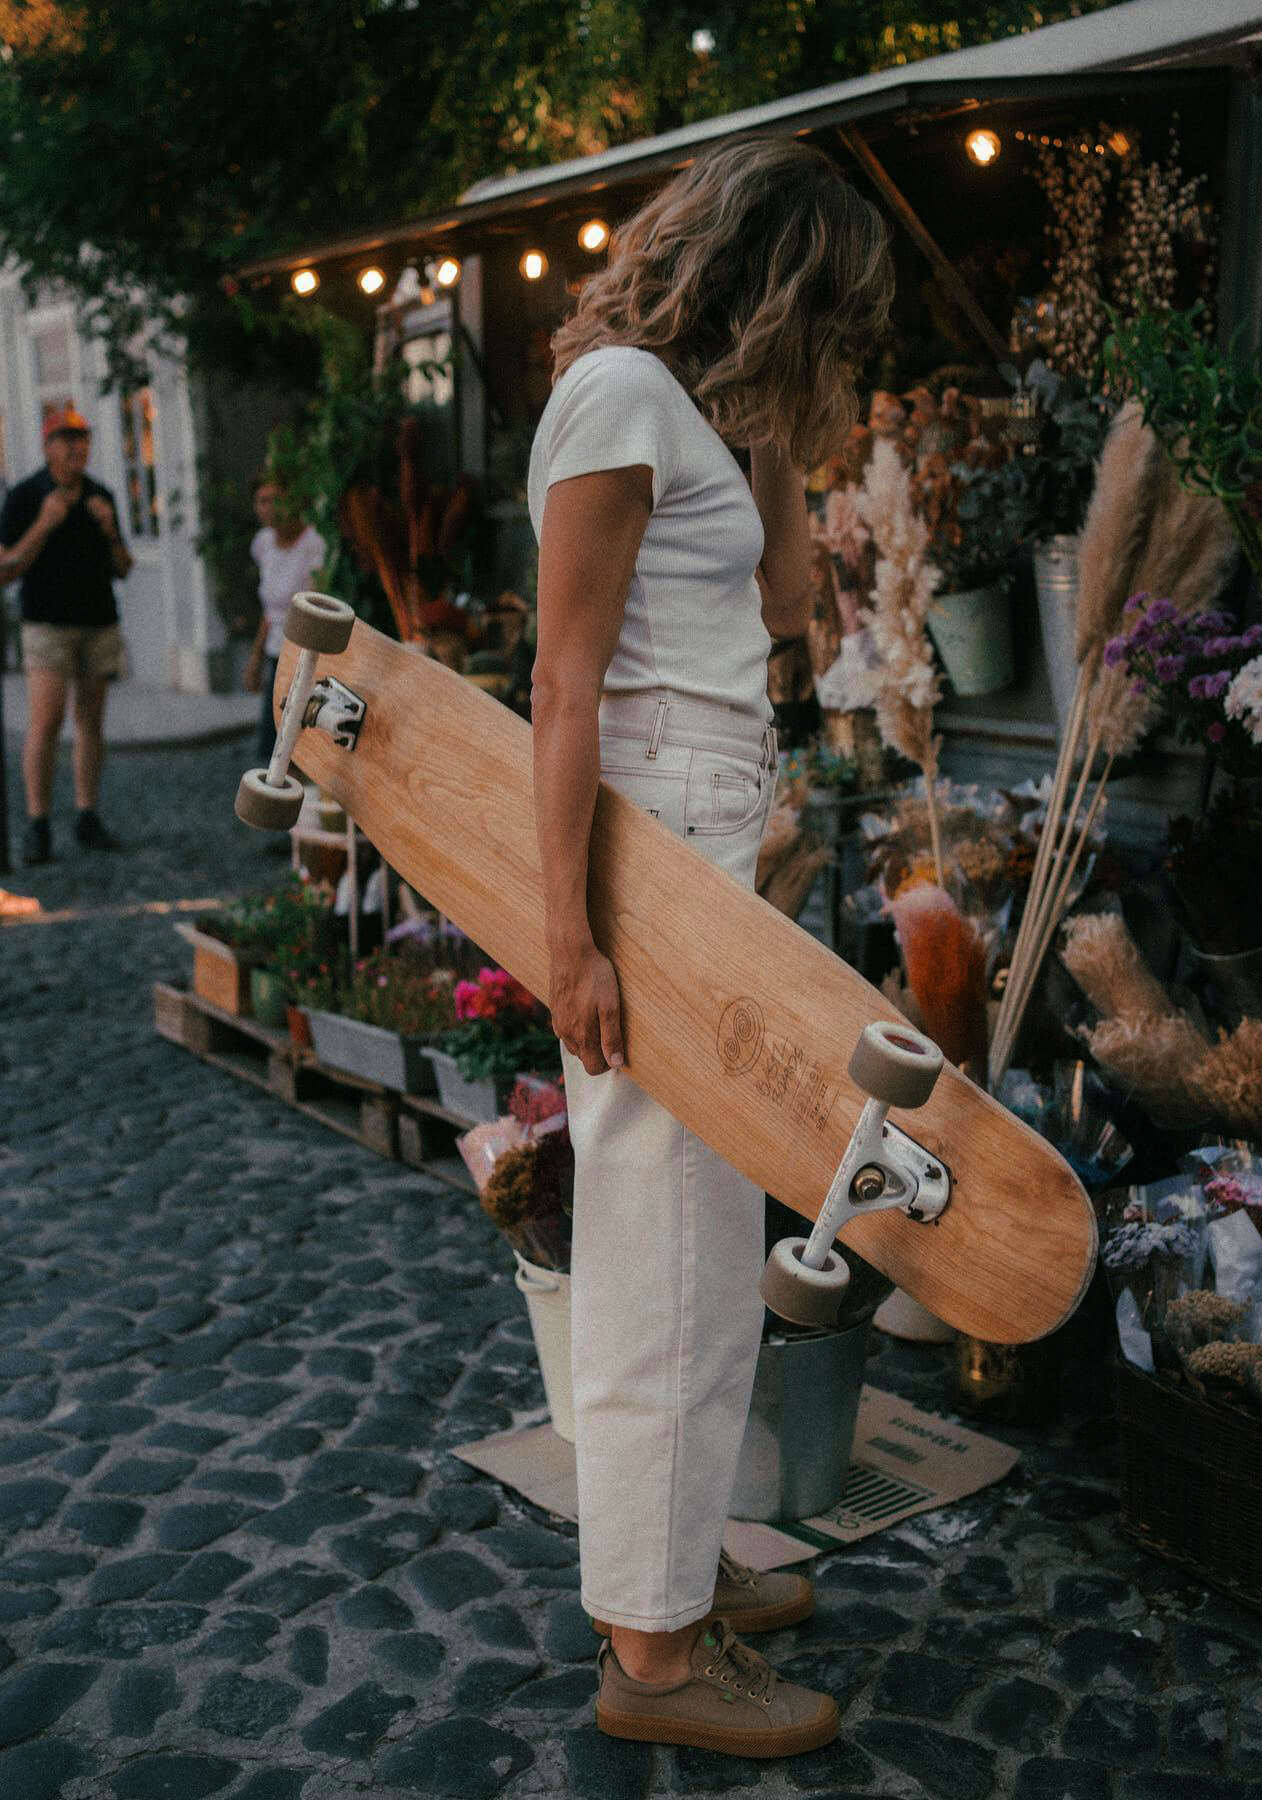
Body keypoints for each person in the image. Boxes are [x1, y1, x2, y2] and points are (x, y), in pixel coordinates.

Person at [527, 135, 893, 1758]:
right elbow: (560, 677)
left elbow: (799, 600)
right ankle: (654, 1665)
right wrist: (570, 936)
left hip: (706, 833)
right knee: (663, 1252)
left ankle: (665, 1579)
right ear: (777, 288)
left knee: (706, 1222)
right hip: (648, 849)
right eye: (832, 321)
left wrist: (772, 436)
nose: (842, 360)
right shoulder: (614, 395)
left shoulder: (688, 410)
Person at [0, 407, 133, 866]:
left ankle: (86, 814)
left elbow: (124, 568)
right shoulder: (24, 497)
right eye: (66, 438)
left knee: (91, 721)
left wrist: (111, 531)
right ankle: (38, 824)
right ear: (47, 446)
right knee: (48, 720)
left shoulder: (101, 495)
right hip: (46, 624)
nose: (77, 447)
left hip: (98, 620)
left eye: (82, 438)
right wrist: (44, 524)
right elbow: (5, 569)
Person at [244, 476, 326, 763]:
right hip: (275, 654)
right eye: (261, 501)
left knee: (301, 746)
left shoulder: (313, 543)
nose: (267, 508)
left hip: (306, 653)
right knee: (274, 746)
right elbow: (271, 611)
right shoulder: (264, 544)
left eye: (275, 499)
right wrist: (255, 657)